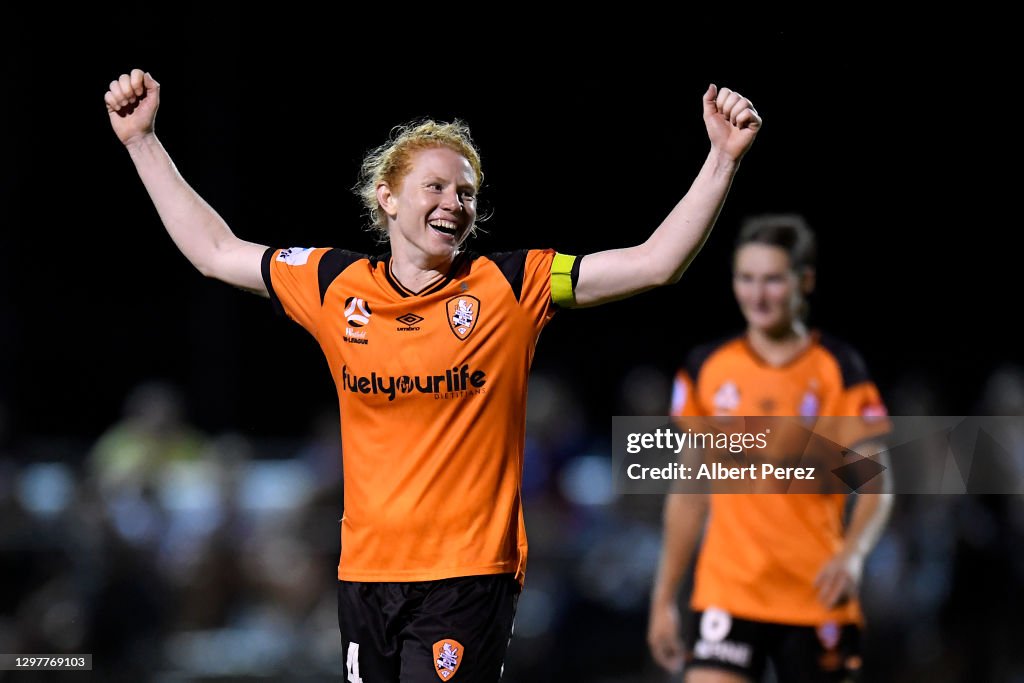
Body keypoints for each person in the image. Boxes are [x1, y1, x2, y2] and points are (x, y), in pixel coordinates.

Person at [104, 67, 761, 682]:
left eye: (468, 192)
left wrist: (722, 159)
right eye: (438, 186)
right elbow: (216, 252)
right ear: (387, 197)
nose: (456, 202)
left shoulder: (512, 283)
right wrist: (143, 142)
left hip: (468, 576)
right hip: (365, 576)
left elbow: (655, 262)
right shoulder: (333, 283)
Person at [647, 214, 894, 682]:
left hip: (816, 596)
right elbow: (687, 495)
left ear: (805, 281)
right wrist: (663, 600)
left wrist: (853, 554)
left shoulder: (836, 370)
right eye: (746, 279)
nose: (757, 295)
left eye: (773, 280)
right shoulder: (708, 369)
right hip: (729, 592)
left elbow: (876, 483)